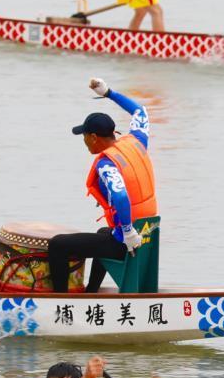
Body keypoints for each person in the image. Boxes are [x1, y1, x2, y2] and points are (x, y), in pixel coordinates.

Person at [47, 78, 158, 294]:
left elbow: (120, 196)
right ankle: (92, 292)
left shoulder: (108, 164)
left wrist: (127, 232)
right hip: (148, 232)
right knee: (102, 231)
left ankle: (59, 303)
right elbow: (140, 111)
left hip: (129, 241)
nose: (84, 141)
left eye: (85, 137)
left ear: (94, 137)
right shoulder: (136, 142)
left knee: (58, 245)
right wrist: (108, 93)